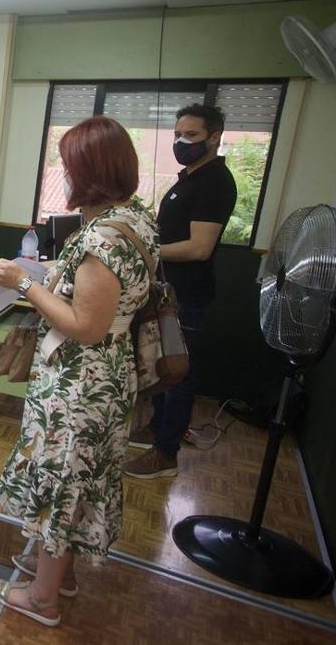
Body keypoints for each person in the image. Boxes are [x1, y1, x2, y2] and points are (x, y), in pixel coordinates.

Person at [0, 116, 156, 627]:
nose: (64, 173)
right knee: (79, 475)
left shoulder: (104, 240)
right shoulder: (134, 219)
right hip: (106, 375)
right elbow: (88, 292)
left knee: (62, 478)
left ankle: (42, 599)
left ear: (91, 171)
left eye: (69, 164)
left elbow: (85, 325)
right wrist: (31, 273)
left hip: (81, 382)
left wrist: (24, 285)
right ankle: (60, 572)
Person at [126, 104, 237, 480]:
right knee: (160, 366)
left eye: (191, 135)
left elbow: (199, 248)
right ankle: (157, 430)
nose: (181, 142)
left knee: (177, 371)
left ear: (214, 137)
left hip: (186, 296)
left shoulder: (215, 182)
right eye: (177, 135)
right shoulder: (188, 179)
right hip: (166, 291)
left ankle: (165, 453)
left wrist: (147, 251)